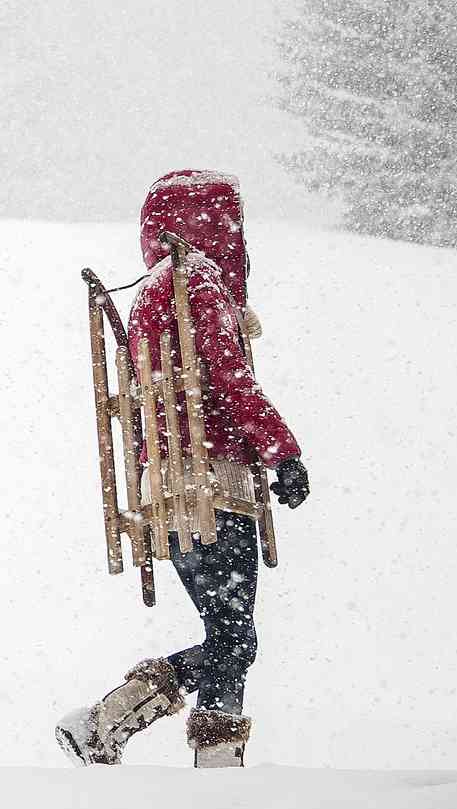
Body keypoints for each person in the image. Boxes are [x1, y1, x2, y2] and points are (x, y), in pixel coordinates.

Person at [56, 170, 311, 769]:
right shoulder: (198, 283)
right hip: (214, 482)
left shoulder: (151, 291)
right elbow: (227, 380)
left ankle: (130, 726)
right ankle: (121, 726)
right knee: (235, 635)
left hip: (165, 490)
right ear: (212, 222)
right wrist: (283, 449)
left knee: (231, 635)